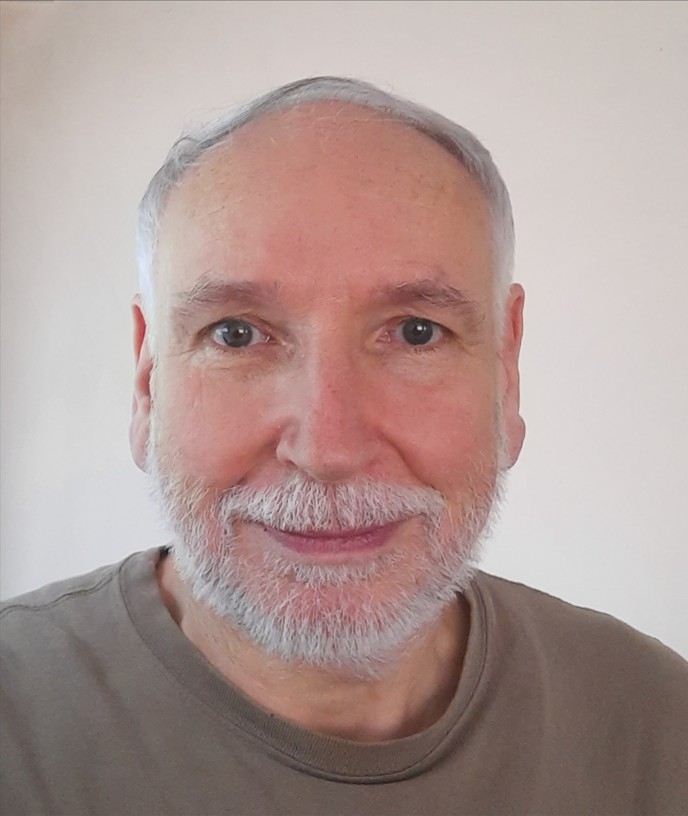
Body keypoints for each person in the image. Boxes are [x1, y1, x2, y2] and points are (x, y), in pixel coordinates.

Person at [1, 76, 686, 816]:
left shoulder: (656, 724)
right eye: (236, 334)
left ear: (506, 372)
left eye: (416, 333)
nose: (327, 449)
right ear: (147, 381)